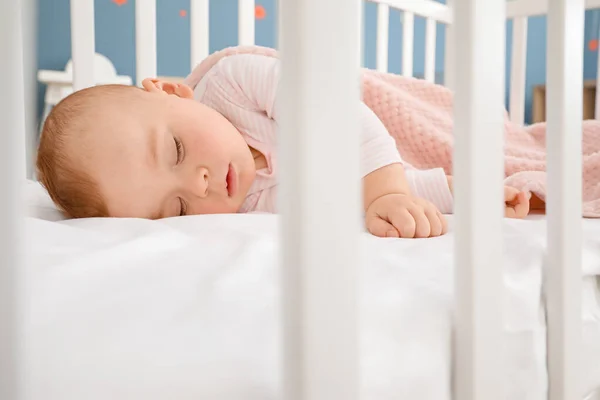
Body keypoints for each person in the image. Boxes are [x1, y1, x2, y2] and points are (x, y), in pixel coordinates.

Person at [36, 52, 532, 239]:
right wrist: (450, 193)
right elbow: (345, 196)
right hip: (390, 168)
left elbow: (346, 117)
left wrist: (387, 193)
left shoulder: (235, 83)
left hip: (391, 118)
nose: (200, 183)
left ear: (171, 93)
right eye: (179, 209)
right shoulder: (249, 207)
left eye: (177, 151)